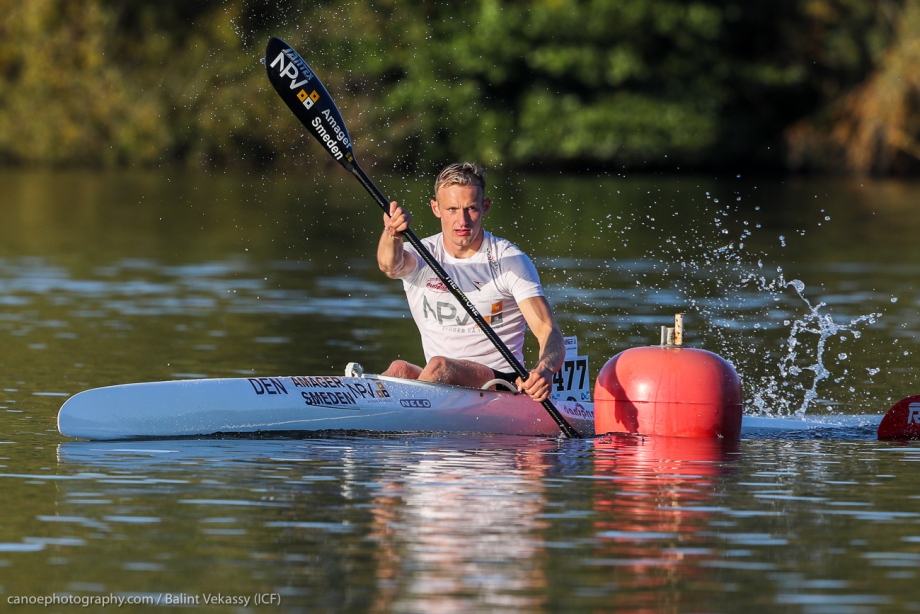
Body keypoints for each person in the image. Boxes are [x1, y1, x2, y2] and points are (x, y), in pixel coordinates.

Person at [376, 162, 564, 403]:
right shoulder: (423, 254)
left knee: (439, 366)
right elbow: (389, 265)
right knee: (399, 369)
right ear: (436, 208)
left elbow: (549, 331)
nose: (462, 221)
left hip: (502, 382)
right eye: (452, 209)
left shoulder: (508, 261)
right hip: (440, 381)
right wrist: (392, 233)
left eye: (471, 209)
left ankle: (397, 421)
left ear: (485, 207)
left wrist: (545, 369)